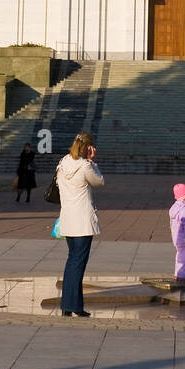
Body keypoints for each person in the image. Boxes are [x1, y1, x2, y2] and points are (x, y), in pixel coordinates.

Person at [56, 132, 104, 318]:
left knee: (72, 262)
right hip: (83, 222)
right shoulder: (85, 166)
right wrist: (92, 161)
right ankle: (73, 305)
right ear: (88, 148)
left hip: (68, 219)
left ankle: (68, 305)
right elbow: (99, 181)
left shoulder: (63, 163)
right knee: (78, 264)